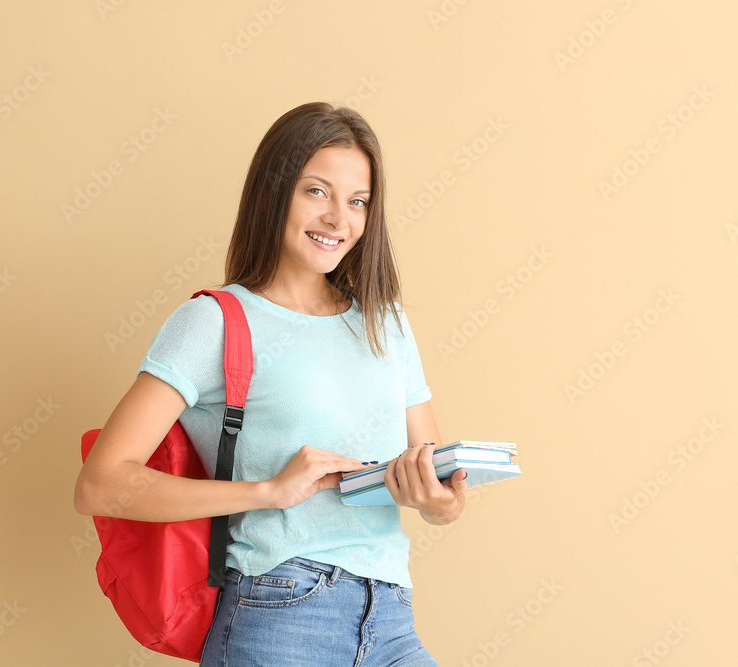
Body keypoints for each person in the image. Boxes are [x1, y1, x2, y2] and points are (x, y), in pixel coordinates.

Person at [73, 101, 467, 666]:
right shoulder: (216, 321)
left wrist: (435, 501)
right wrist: (267, 492)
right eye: (316, 192)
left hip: (389, 615)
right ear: (273, 192)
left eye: (357, 202)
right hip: (278, 611)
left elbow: (439, 491)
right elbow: (100, 484)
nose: (339, 219)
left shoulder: (388, 325)